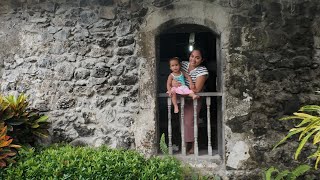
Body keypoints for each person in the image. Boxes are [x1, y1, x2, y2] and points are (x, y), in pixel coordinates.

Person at [172, 49, 208, 154]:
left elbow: (196, 89)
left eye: (197, 58)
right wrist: (173, 82)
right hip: (182, 98)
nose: (194, 59)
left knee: (190, 122)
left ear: (202, 60)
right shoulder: (183, 64)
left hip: (193, 99)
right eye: (192, 56)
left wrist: (182, 88)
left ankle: (193, 146)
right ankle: (184, 145)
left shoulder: (202, 70)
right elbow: (174, 73)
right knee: (183, 122)